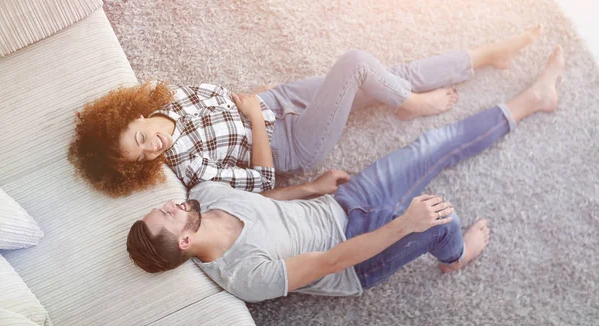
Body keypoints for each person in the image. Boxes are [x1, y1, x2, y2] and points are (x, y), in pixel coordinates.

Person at [125, 46, 564, 302]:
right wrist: (404, 225)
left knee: (432, 146)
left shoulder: (202, 196)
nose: (171, 202)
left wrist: (312, 187)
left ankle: (531, 100)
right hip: (359, 256)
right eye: (167, 214)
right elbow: (333, 261)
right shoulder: (246, 277)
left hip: (339, 205)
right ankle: (456, 257)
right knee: (443, 221)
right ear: (184, 242)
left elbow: (264, 201)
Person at [68, 26, 543, 197]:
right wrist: (254, 118)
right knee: (358, 64)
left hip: (277, 103)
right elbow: (261, 181)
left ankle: (483, 57)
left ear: (133, 115)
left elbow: (223, 99)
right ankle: (413, 105)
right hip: (290, 142)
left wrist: (255, 99)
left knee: (384, 72)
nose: (155, 148)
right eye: (144, 157)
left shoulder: (174, 99)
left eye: (141, 138)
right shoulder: (186, 165)